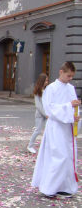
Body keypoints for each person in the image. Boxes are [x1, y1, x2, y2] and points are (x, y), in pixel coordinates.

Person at [32, 62, 79, 198]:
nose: (70, 78)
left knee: (68, 157)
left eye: (72, 76)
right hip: (56, 127)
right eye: (68, 75)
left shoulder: (71, 88)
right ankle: (49, 187)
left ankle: (65, 186)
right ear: (61, 72)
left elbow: (73, 106)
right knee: (58, 157)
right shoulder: (51, 88)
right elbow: (50, 108)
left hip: (68, 127)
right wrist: (68, 105)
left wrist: (75, 115)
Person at [27, 73, 49, 154]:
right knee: (38, 130)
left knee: (48, 130)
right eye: (46, 80)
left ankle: (46, 146)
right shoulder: (38, 91)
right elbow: (38, 105)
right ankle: (30, 146)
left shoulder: (47, 90)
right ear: (42, 81)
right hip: (40, 114)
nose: (47, 82)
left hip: (47, 114)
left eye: (47, 80)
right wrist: (45, 114)